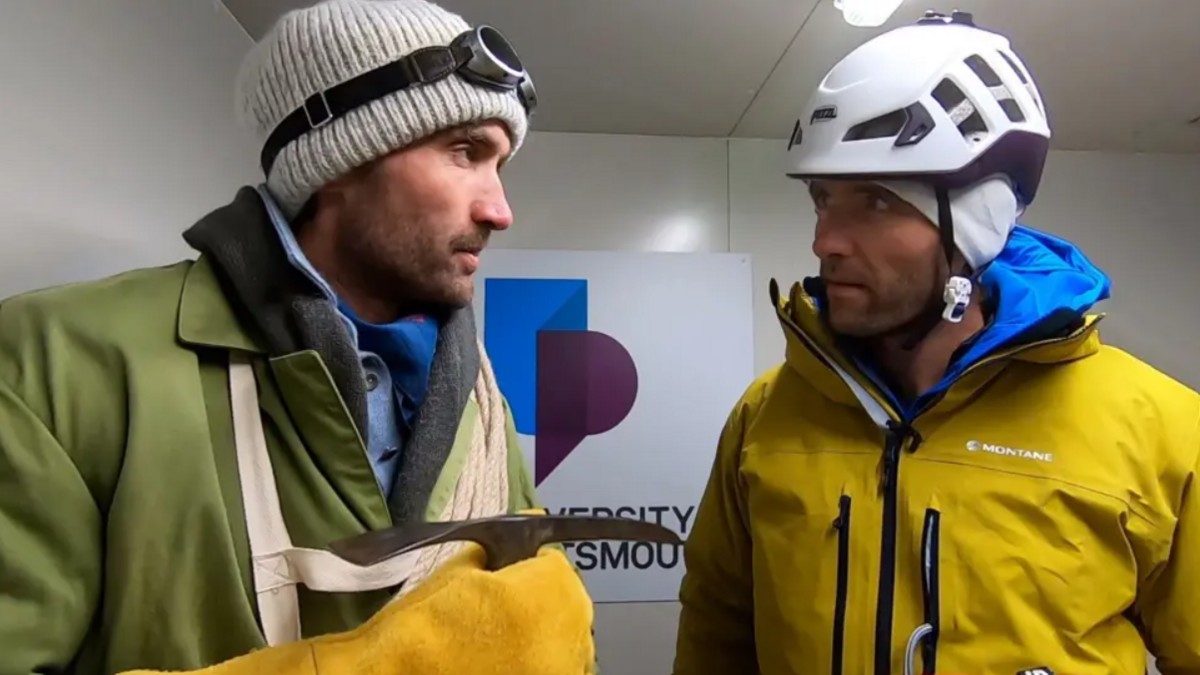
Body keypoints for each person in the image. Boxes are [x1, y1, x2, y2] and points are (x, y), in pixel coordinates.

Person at [0, 1, 595, 673]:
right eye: (464, 152)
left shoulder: (479, 397)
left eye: (501, 166)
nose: (500, 210)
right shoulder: (53, 359)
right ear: (338, 158)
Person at [674, 10, 1200, 675]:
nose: (825, 240)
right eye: (822, 198)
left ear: (977, 221)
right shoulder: (765, 416)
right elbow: (717, 627)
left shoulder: (1162, 432)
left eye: (876, 201)